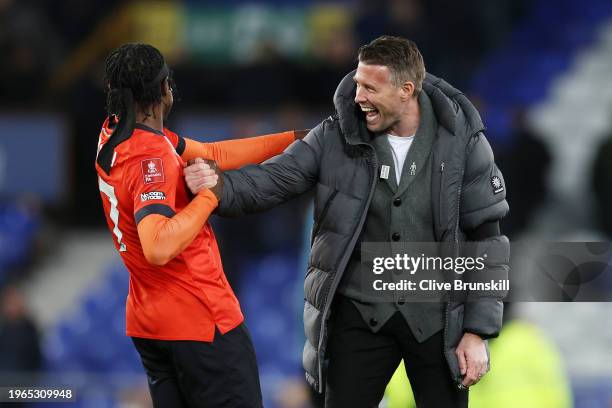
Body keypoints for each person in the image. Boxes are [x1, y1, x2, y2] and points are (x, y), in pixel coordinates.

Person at [185, 36, 510, 407]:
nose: (358, 97)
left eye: (370, 87)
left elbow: (488, 240)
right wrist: (219, 185)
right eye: (357, 84)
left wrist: (476, 331)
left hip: (437, 319)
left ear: (406, 90)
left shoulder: (464, 143)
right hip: (359, 314)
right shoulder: (334, 136)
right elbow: (273, 180)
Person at [95, 43, 304, 408]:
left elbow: (213, 154)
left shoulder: (113, 134)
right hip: (199, 321)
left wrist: (292, 141)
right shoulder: (152, 156)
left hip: (150, 324)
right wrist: (211, 195)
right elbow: (157, 246)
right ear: (164, 90)